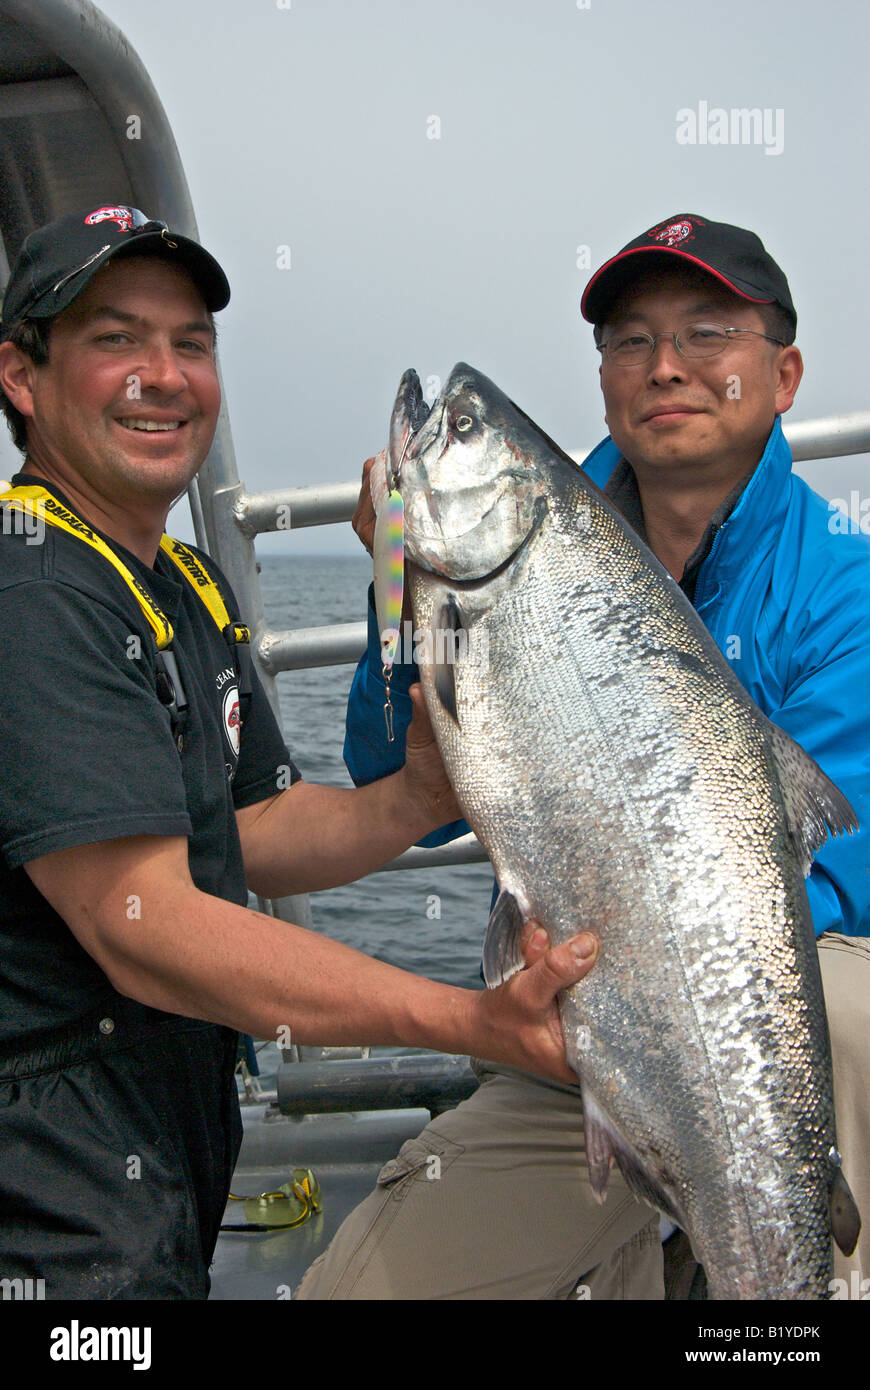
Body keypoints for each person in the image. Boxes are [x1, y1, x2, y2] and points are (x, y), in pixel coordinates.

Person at [0, 206, 597, 1300]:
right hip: (45, 1173)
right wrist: (472, 1022)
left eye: (191, 345)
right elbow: (151, 932)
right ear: (22, 376)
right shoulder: (34, 594)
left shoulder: (182, 583)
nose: (163, 375)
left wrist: (418, 792)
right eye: (114, 340)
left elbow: (255, 829)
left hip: (154, 1135)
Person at [296, 212, 870, 1300]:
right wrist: (393, 584)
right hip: (562, 1035)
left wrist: (657, 1016)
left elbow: (836, 873)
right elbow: (400, 786)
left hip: (780, 1034)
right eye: (629, 340)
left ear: (783, 373)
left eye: (707, 333)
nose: (665, 367)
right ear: (604, 380)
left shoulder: (848, 582)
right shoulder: (527, 550)